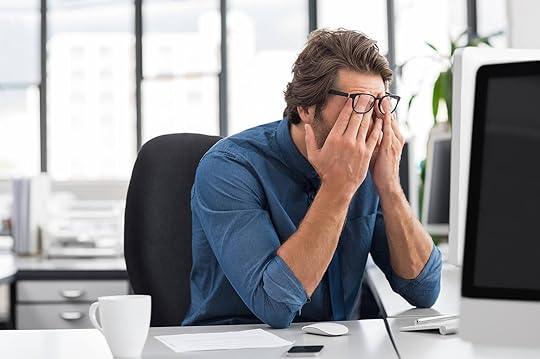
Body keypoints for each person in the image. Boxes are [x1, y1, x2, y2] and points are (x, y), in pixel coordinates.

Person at [182, 28, 441, 329]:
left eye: (380, 104)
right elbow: (275, 306)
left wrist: (389, 186)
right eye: (358, 103)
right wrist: (338, 186)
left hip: (338, 346)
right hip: (235, 345)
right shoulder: (229, 167)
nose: (371, 122)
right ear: (306, 108)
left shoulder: (369, 166)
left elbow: (424, 289)